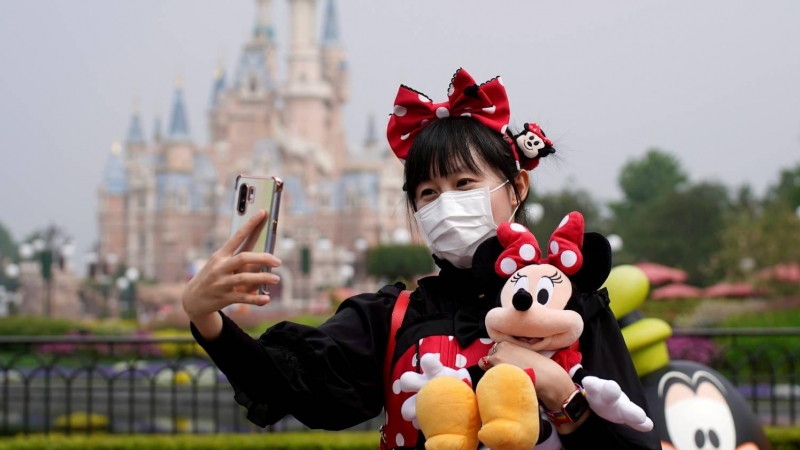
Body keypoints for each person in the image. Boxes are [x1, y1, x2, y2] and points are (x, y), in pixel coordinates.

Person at [184, 68, 661, 450]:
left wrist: (561, 394)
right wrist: (205, 315)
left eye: (464, 184)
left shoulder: (572, 311)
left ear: (516, 188)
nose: (445, 204)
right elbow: (289, 385)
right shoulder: (392, 320)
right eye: (428, 193)